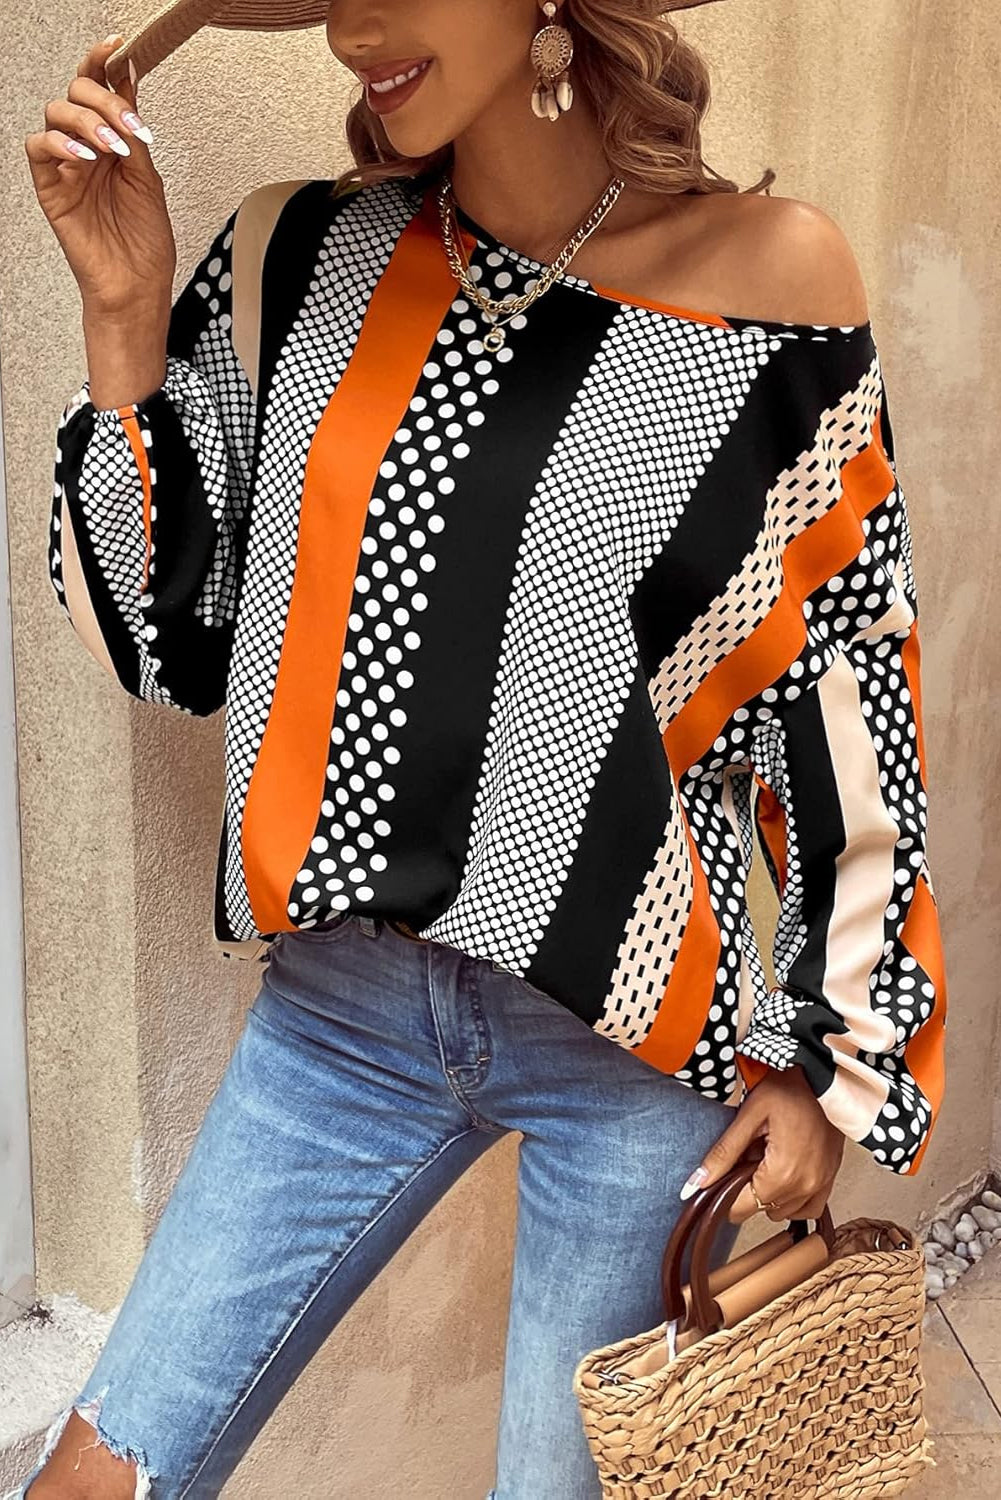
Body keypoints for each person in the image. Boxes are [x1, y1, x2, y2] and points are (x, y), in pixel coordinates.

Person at [17, 1, 947, 1495]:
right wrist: (123, 313)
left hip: (632, 1046)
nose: (355, 26)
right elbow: (165, 641)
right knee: (93, 1479)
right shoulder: (292, 257)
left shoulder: (773, 281)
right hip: (341, 1015)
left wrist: (824, 1057)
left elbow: (841, 685)